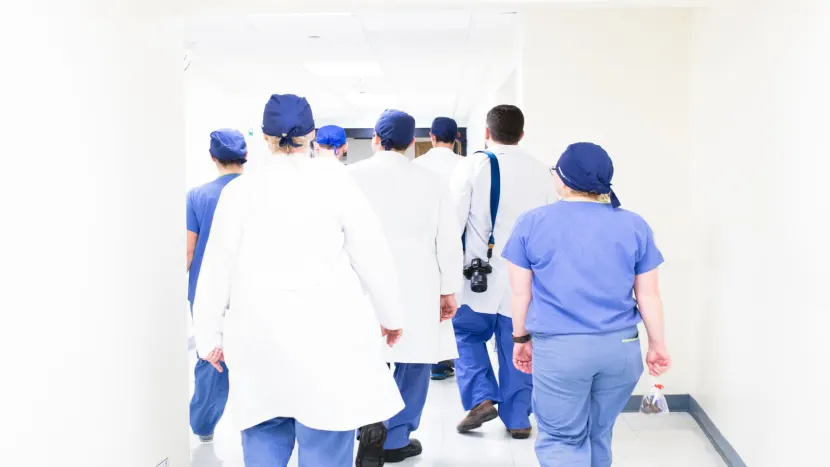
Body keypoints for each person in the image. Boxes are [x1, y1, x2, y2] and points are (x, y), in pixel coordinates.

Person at [192, 94, 406, 467]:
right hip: (328, 337)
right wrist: (391, 317)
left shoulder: (240, 190)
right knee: (327, 433)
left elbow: (216, 268)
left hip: (259, 337)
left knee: (264, 431)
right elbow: (373, 256)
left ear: (264, 137)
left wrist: (209, 337)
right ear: (312, 134)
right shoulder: (336, 182)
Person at [502, 142, 672, 467]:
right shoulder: (634, 225)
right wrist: (657, 345)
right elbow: (649, 295)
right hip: (621, 350)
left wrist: (520, 338)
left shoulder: (532, 222)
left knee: (562, 440)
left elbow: (521, 294)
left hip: (561, 351)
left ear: (565, 178)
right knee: (598, 433)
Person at [349, 110, 463, 463]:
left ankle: (368, 427)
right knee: (414, 361)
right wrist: (449, 289)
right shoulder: (433, 181)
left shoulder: (350, 177)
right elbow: (448, 241)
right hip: (419, 282)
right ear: (413, 142)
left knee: (367, 357)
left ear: (376, 140)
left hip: (362, 281)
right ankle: (395, 438)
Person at [449, 104, 557, 440]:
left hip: (477, 277)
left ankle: (481, 397)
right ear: (522, 134)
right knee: (519, 343)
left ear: (487, 132)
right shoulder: (543, 171)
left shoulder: (475, 165)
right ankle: (518, 418)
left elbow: (453, 221)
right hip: (524, 280)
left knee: (465, 335)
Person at [186, 128, 247, 443]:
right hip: (249, 289)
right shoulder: (258, 193)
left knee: (212, 358)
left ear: (212, 157)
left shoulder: (197, 196)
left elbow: (188, 250)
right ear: (246, 156)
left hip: (206, 290)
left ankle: (204, 426)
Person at [413, 116, 464, 381]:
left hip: (424, 243)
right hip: (460, 240)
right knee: (457, 303)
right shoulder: (467, 165)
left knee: (428, 302)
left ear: (431, 137)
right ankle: (450, 360)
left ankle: (435, 362)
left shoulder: (416, 166)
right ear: (457, 137)